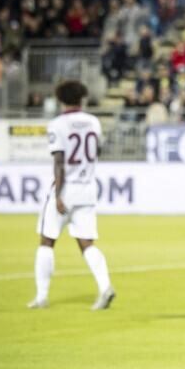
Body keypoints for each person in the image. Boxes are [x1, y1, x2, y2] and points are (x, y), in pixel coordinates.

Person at [28, 80, 115, 310]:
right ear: (81, 98)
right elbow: (98, 150)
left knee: (47, 240)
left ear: (61, 99)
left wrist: (58, 195)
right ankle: (105, 286)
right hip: (87, 189)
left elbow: (59, 162)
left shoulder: (57, 124)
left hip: (66, 190)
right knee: (87, 243)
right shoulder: (93, 122)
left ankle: (42, 296)